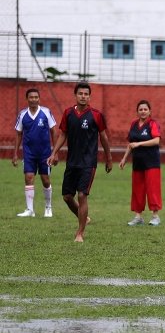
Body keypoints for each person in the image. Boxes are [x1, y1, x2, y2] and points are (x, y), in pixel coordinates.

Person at [48, 82, 112, 243]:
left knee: (82, 195)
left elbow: (103, 137)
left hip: (88, 163)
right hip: (72, 162)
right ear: (75, 95)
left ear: (89, 96)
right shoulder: (68, 113)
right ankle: (84, 218)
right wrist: (54, 153)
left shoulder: (96, 115)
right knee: (67, 197)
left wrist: (109, 158)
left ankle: (80, 233)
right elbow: (63, 135)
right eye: (80, 94)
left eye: (86, 94)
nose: (83, 96)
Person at [13, 88, 56, 218]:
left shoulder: (46, 112)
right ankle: (29, 209)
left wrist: (55, 152)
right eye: (31, 97)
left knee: (45, 180)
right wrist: (15, 153)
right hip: (29, 153)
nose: (33, 99)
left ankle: (48, 208)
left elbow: (53, 131)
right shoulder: (22, 115)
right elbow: (19, 134)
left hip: (45, 153)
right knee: (29, 178)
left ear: (39, 98)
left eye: (36, 97)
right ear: (27, 99)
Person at [119, 99, 163, 226]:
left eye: (145, 109)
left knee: (152, 189)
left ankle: (155, 216)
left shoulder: (152, 124)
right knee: (137, 189)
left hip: (152, 162)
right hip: (138, 162)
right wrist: (124, 158)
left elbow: (156, 141)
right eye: (140, 109)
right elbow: (130, 144)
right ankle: (138, 217)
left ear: (150, 112)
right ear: (137, 112)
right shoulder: (133, 124)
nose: (143, 112)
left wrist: (139, 143)